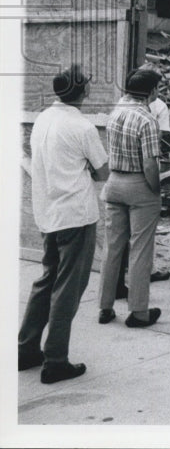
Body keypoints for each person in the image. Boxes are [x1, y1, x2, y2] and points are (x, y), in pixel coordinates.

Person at [18, 65, 108, 383]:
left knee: (47, 280)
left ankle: (26, 347)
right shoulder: (82, 127)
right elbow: (103, 173)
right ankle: (55, 359)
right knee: (68, 288)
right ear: (82, 91)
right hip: (76, 214)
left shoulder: (43, 119)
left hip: (49, 212)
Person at [97, 68, 163, 328]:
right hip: (139, 184)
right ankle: (138, 311)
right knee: (140, 249)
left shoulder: (115, 114)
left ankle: (105, 306)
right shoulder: (147, 119)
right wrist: (156, 189)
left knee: (112, 248)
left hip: (115, 182)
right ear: (151, 92)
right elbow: (150, 164)